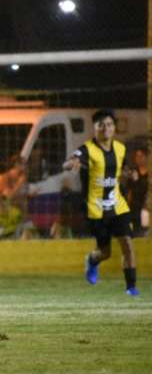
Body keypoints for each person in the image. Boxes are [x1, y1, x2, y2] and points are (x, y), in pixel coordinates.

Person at [63, 109, 139, 296]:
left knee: (127, 243)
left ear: (114, 127)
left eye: (110, 124)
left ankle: (131, 288)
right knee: (105, 252)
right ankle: (92, 259)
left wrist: (132, 173)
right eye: (101, 125)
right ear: (95, 128)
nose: (106, 128)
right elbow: (70, 161)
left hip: (118, 205)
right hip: (96, 208)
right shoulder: (87, 149)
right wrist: (71, 164)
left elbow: (125, 167)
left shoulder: (120, 148)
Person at [0, 156, 32, 246]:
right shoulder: (8, 177)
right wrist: (19, 185)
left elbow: (21, 196)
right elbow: (6, 196)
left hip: (18, 213)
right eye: (23, 164)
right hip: (7, 213)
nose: (26, 166)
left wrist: (28, 195)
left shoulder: (22, 177)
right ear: (16, 164)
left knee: (26, 233)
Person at [127, 148, 148, 237]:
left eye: (141, 156)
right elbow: (130, 190)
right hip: (135, 204)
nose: (139, 158)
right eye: (137, 156)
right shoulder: (133, 172)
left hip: (147, 204)